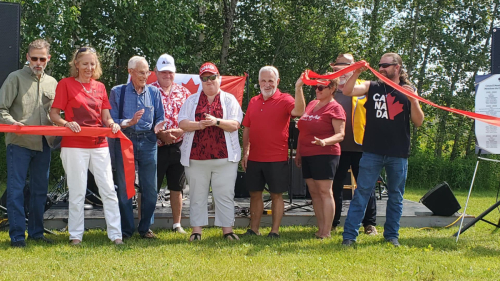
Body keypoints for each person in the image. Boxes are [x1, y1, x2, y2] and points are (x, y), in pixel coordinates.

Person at [342, 53, 424, 247]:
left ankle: (391, 236)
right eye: (379, 65)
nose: (381, 68)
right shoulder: (372, 86)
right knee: (361, 193)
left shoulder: (408, 90)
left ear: (397, 68)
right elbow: (347, 91)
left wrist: (413, 99)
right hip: (372, 151)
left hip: (398, 153)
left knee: (395, 196)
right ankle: (349, 236)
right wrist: (356, 73)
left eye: (386, 65)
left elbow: (419, 121)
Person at [49, 46, 123, 245]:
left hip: (99, 144)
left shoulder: (100, 87)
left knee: (108, 189)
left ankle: (116, 235)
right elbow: (54, 114)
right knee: (77, 191)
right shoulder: (66, 84)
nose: (89, 67)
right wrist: (66, 124)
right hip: (74, 145)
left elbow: (106, 116)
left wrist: (112, 124)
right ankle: (75, 236)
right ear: (76, 64)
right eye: (85, 63)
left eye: (92, 63)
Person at [0, 39, 57, 247]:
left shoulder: (53, 83)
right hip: (19, 142)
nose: (38, 62)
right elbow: (1, 109)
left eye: (42, 59)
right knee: (16, 190)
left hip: (44, 144)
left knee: (40, 190)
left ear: (48, 59)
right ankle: (16, 237)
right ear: (27, 57)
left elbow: (55, 114)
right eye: (34, 58)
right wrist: (13, 123)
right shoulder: (14, 78)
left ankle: (36, 233)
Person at [178, 62, 243, 241]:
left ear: (219, 78)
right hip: (196, 158)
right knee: (197, 195)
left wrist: (216, 122)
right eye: (204, 78)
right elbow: (182, 123)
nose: (209, 81)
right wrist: (199, 125)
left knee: (225, 195)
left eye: (212, 77)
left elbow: (235, 124)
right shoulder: (191, 100)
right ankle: (196, 231)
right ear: (201, 80)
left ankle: (227, 230)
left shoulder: (229, 100)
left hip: (225, 158)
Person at [241, 66, 305, 238]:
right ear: (259, 82)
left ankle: (274, 231)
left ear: (277, 82)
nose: (267, 84)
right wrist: (245, 151)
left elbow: (299, 111)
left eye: (271, 81)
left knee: (277, 194)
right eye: (263, 80)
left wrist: (299, 88)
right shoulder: (254, 101)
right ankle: (254, 229)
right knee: (255, 194)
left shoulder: (285, 99)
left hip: (276, 157)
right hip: (254, 157)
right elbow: (247, 128)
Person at [109, 56, 165, 239]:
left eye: (147, 72)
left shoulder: (154, 93)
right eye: (141, 72)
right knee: (125, 188)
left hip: (148, 141)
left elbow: (160, 117)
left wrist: (159, 127)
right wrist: (129, 122)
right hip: (126, 140)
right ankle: (126, 230)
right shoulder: (118, 92)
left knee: (150, 189)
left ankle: (145, 228)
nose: (145, 76)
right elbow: (110, 120)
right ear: (130, 72)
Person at [330, 53, 378, 235]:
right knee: (334, 186)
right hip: (337, 147)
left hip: (362, 147)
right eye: (339, 68)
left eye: (347, 68)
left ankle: (369, 223)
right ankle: (333, 221)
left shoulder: (364, 88)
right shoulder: (329, 89)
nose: (343, 71)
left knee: (366, 186)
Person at [295, 74, 346, 239]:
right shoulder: (312, 104)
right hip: (308, 153)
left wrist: (325, 142)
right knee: (314, 192)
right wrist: (299, 151)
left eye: (321, 87)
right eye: (316, 87)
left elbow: (340, 135)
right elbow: (303, 130)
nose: (317, 90)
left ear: (332, 89)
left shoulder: (335, 108)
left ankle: (326, 231)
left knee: (325, 191)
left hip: (326, 154)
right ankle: (320, 228)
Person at [150, 54, 191, 234]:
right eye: (163, 72)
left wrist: (180, 132)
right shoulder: (148, 90)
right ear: (156, 72)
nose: (167, 75)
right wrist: (160, 133)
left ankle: (177, 224)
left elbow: (192, 118)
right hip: (154, 146)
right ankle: (146, 224)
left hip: (178, 146)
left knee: (177, 186)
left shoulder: (184, 92)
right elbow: (143, 119)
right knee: (150, 187)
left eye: (170, 72)